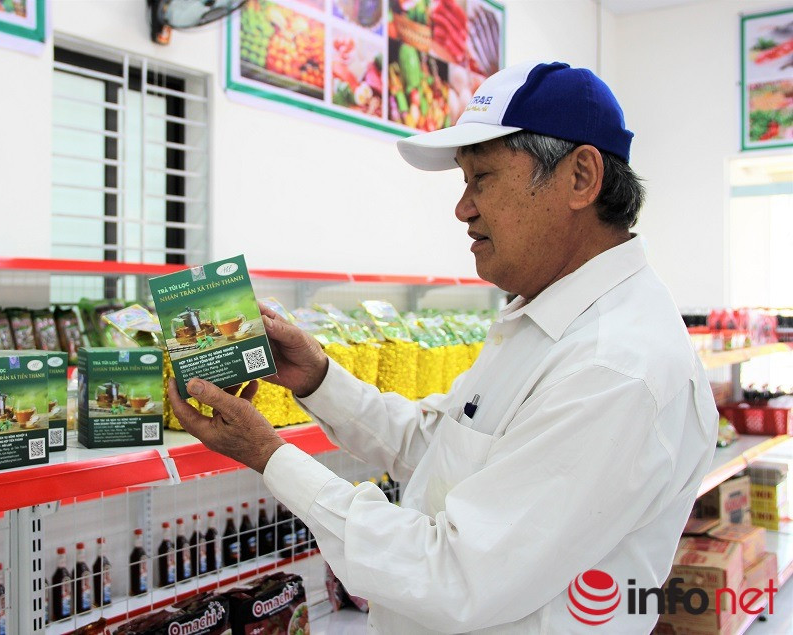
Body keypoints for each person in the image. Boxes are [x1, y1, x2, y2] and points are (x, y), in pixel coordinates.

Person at [167, 61, 717, 633]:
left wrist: (270, 456)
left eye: (483, 179)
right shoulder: (543, 319)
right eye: (464, 182)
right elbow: (441, 449)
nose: (463, 208)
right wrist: (319, 379)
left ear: (580, 177)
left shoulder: (615, 367)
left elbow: (455, 575)